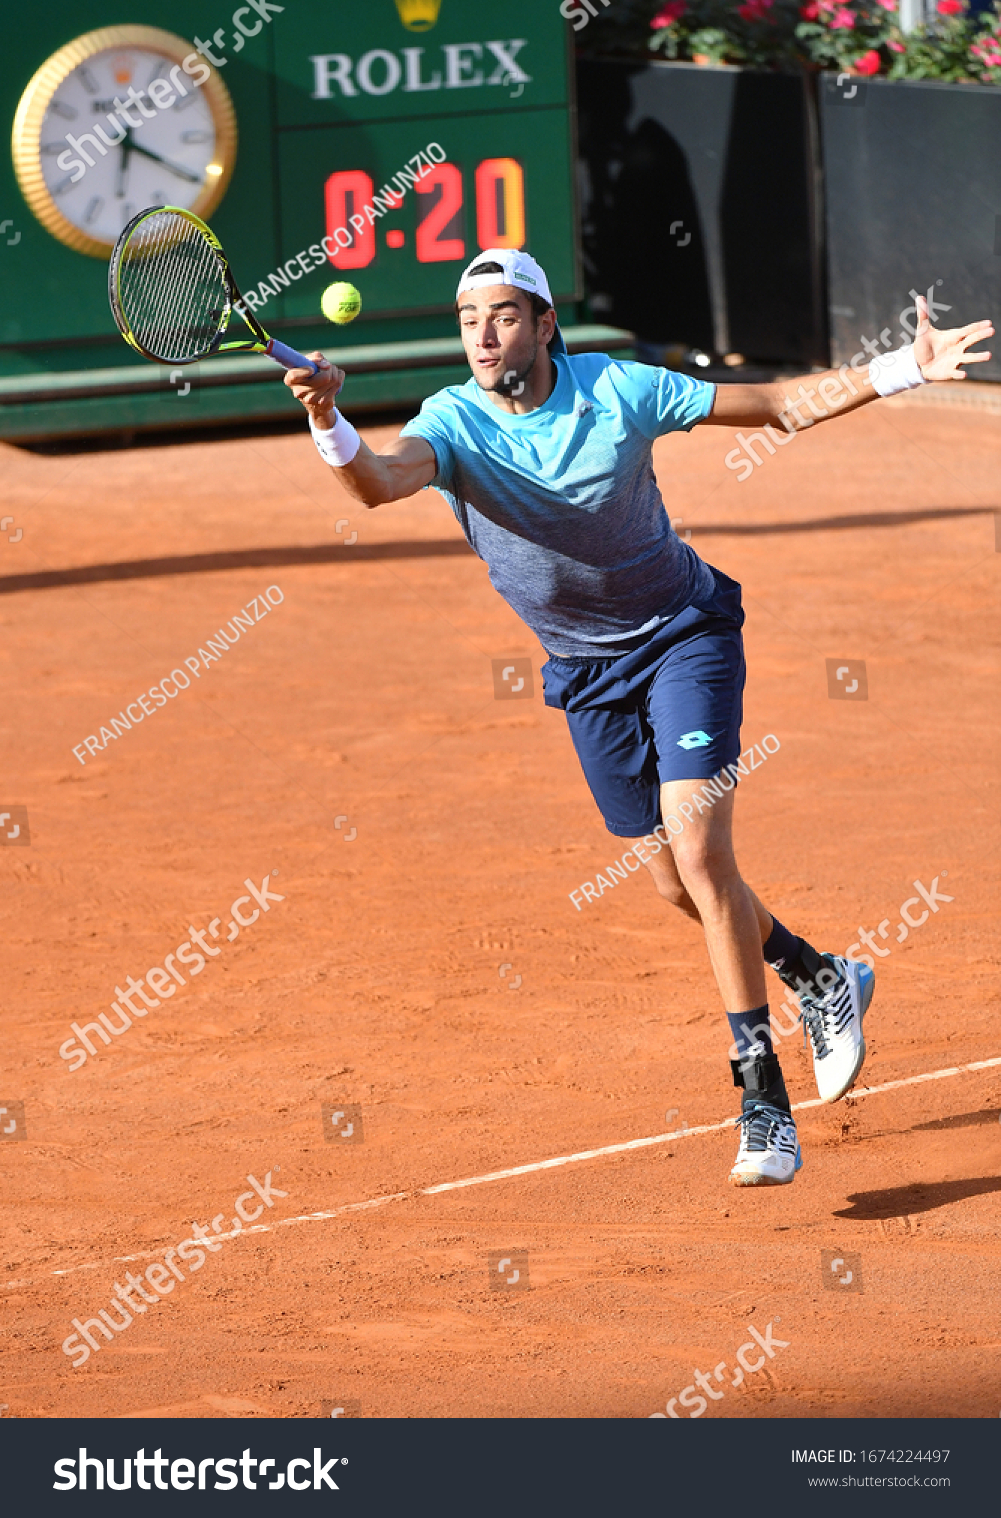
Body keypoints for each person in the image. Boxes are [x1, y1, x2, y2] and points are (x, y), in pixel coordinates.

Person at [282, 249, 992, 1187]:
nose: (483, 337)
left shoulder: (618, 387)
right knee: (671, 884)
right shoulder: (450, 422)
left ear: (542, 324)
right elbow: (377, 482)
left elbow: (774, 404)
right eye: (467, 322)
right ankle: (819, 978)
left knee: (702, 856)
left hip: (683, 634)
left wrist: (901, 368)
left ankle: (762, 1104)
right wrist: (328, 416)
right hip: (584, 675)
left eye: (502, 317)